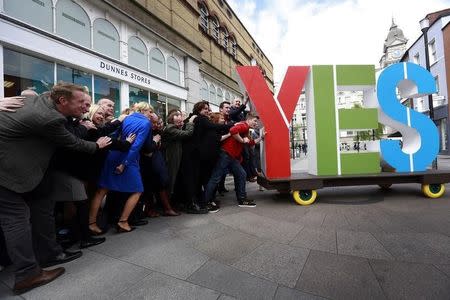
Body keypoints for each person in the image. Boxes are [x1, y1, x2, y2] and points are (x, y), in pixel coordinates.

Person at [0, 82, 111, 294]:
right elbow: (73, 143)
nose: (86, 108)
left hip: (21, 171)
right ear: (62, 101)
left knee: (32, 210)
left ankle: (41, 258)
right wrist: (98, 145)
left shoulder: (39, 99)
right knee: (16, 219)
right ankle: (28, 274)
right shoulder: (50, 118)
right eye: (81, 103)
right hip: (6, 173)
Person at [89, 102, 152, 234]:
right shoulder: (146, 123)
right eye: (149, 112)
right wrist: (125, 163)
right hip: (127, 158)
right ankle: (123, 221)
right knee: (138, 189)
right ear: (144, 111)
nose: (150, 115)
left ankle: (91, 223)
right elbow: (136, 146)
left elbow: (114, 135)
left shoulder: (126, 118)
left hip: (113, 154)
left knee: (102, 190)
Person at [203, 113, 262, 208]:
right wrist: (242, 140)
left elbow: (250, 142)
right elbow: (232, 130)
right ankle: (206, 203)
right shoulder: (244, 125)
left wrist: (261, 138)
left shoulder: (245, 127)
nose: (256, 123)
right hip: (226, 155)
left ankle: (242, 199)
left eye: (256, 121)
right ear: (249, 120)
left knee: (241, 174)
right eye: (255, 121)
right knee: (215, 178)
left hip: (230, 156)